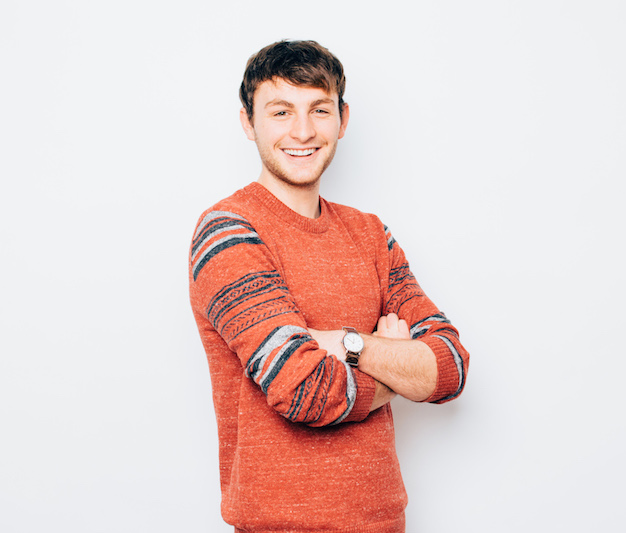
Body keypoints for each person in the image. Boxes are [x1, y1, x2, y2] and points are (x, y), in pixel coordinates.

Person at [188, 39, 469, 533]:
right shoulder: (228, 231)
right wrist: (397, 368)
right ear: (247, 123)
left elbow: (449, 369)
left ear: (342, 119)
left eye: (319, 109)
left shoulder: (370, 234)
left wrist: (343, 343)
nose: (302, 130)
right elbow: (303, 391)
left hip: (384, 521)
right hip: (278, 525)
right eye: (280, 111)